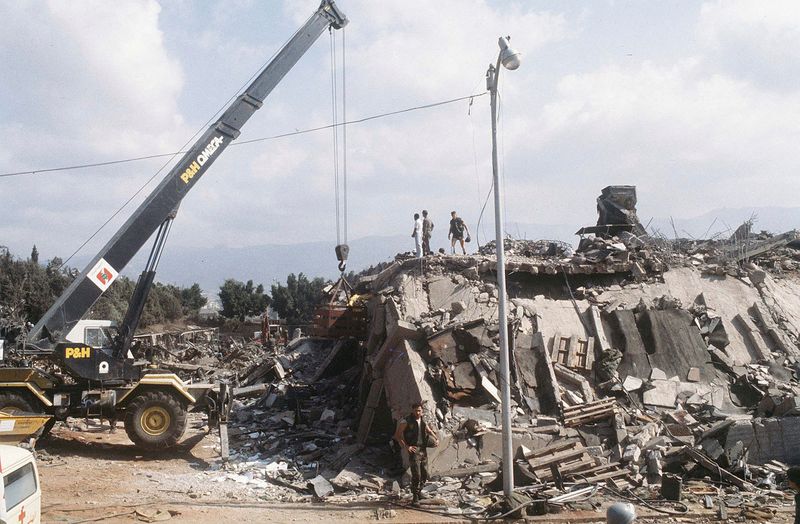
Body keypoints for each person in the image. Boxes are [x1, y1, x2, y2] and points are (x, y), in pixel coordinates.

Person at [395, 402, 439, 505]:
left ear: (422, 411)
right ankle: (415, 498)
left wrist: (436, 438)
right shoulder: (406, 421)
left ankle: (419, 492)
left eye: (419, 410)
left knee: (424, 474)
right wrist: (406, 447)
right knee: (416, 475)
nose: (418, 412)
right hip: (414, 451)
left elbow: (428, 430)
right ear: (412, 410)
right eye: (416, 410)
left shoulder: (422, 420)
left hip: (423, 450)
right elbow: (397, 435)